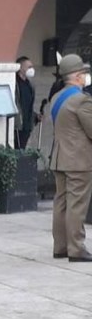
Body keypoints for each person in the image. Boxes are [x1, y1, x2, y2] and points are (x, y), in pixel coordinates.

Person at [50, 53, 92, 263]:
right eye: (84, 73)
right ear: (77, 76)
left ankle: (60, 247)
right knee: (76, 205)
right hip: (78, 160)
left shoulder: (56, 98)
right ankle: (76, 248)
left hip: (60, 157)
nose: (86, 76)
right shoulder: (81, 100)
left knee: (61, 203)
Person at [15, 57, 38, 149]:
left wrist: (34, 115)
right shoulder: (15, 83)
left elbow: (28, 104)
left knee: (22, 148)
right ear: (20, 68)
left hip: (27, 125)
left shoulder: (29, 84)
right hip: (18, 125)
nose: (31, 69)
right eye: (29, 67)